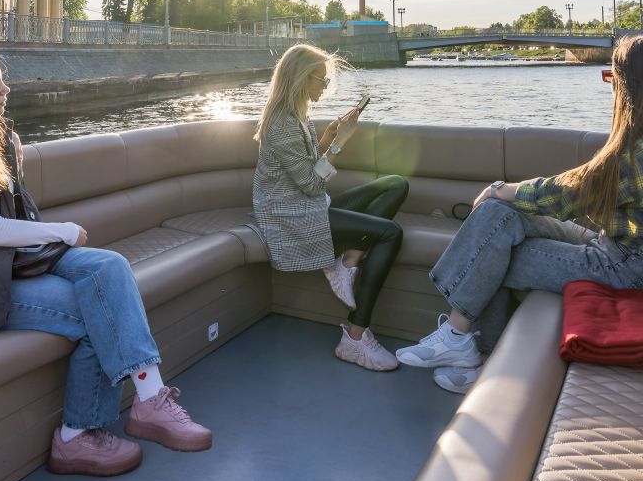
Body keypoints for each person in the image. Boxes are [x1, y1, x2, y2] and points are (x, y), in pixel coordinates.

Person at [0, 42, 212, 476]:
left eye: (3, 80)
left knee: (109, 267)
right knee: (93, 309)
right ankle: (76, 436)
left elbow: (15, 219)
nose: (6, 90)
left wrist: (12, 158)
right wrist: (62, 231)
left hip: (19, 263)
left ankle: (150, 399)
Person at [396, 34, 643, 394]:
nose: (610, 88)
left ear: (628, 86)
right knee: (500, 215)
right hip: (614, 247)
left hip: (626, 269)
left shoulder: (637, 154)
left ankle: (472, 350)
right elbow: (582, 184)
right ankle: (458, 337)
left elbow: (572, 194)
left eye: (611, 79)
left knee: (496, 251)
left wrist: (501, 187)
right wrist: (502, 195)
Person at [253, 43, 408, 371]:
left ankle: (348, 260)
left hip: (309, 206)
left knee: (396, 184)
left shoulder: (299, 116)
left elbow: (307, 167)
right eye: (321, 80)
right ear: (300, 79)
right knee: (390, 234)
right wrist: (341, 143)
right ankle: (355, 337)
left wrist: (327, 136)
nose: (326, 87)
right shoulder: (282, 124)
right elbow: (310, 183)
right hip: (290, 217)